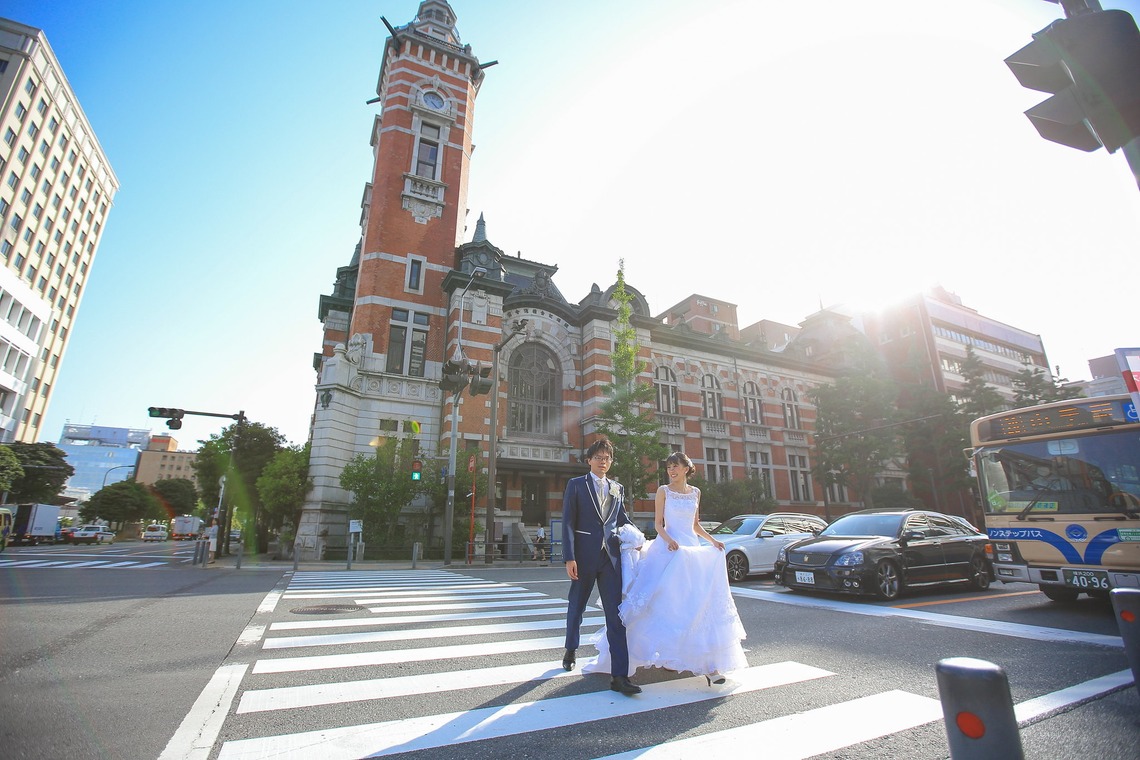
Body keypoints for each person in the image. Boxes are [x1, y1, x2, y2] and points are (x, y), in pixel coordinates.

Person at [589, 451, 747, 685]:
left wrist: (712, 541)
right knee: (665, 603)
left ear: (686, 468)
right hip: (668, 549)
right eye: (668, 467)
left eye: (675, 466)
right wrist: (669, 540)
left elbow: (695, 525)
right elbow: (658, 524)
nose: (671, 471)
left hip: (691, 550)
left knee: (695, 604)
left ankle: (708, 666)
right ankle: (663, 657)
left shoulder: (696, 492)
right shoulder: (663, 491)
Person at [562, 436, 641, 695]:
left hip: (611, 559)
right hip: (583, 557)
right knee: (577, 606)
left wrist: (639, 539)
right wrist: (569, 557)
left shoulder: (617, 488)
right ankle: (571, 648)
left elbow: (622, 519)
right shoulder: (576, 485)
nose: (602, 462)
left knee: (616, 616)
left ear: (611, 462)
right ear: (589, 460)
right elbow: (568, 522)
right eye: (598, 458)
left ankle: (620, 676)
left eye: (606, 458)